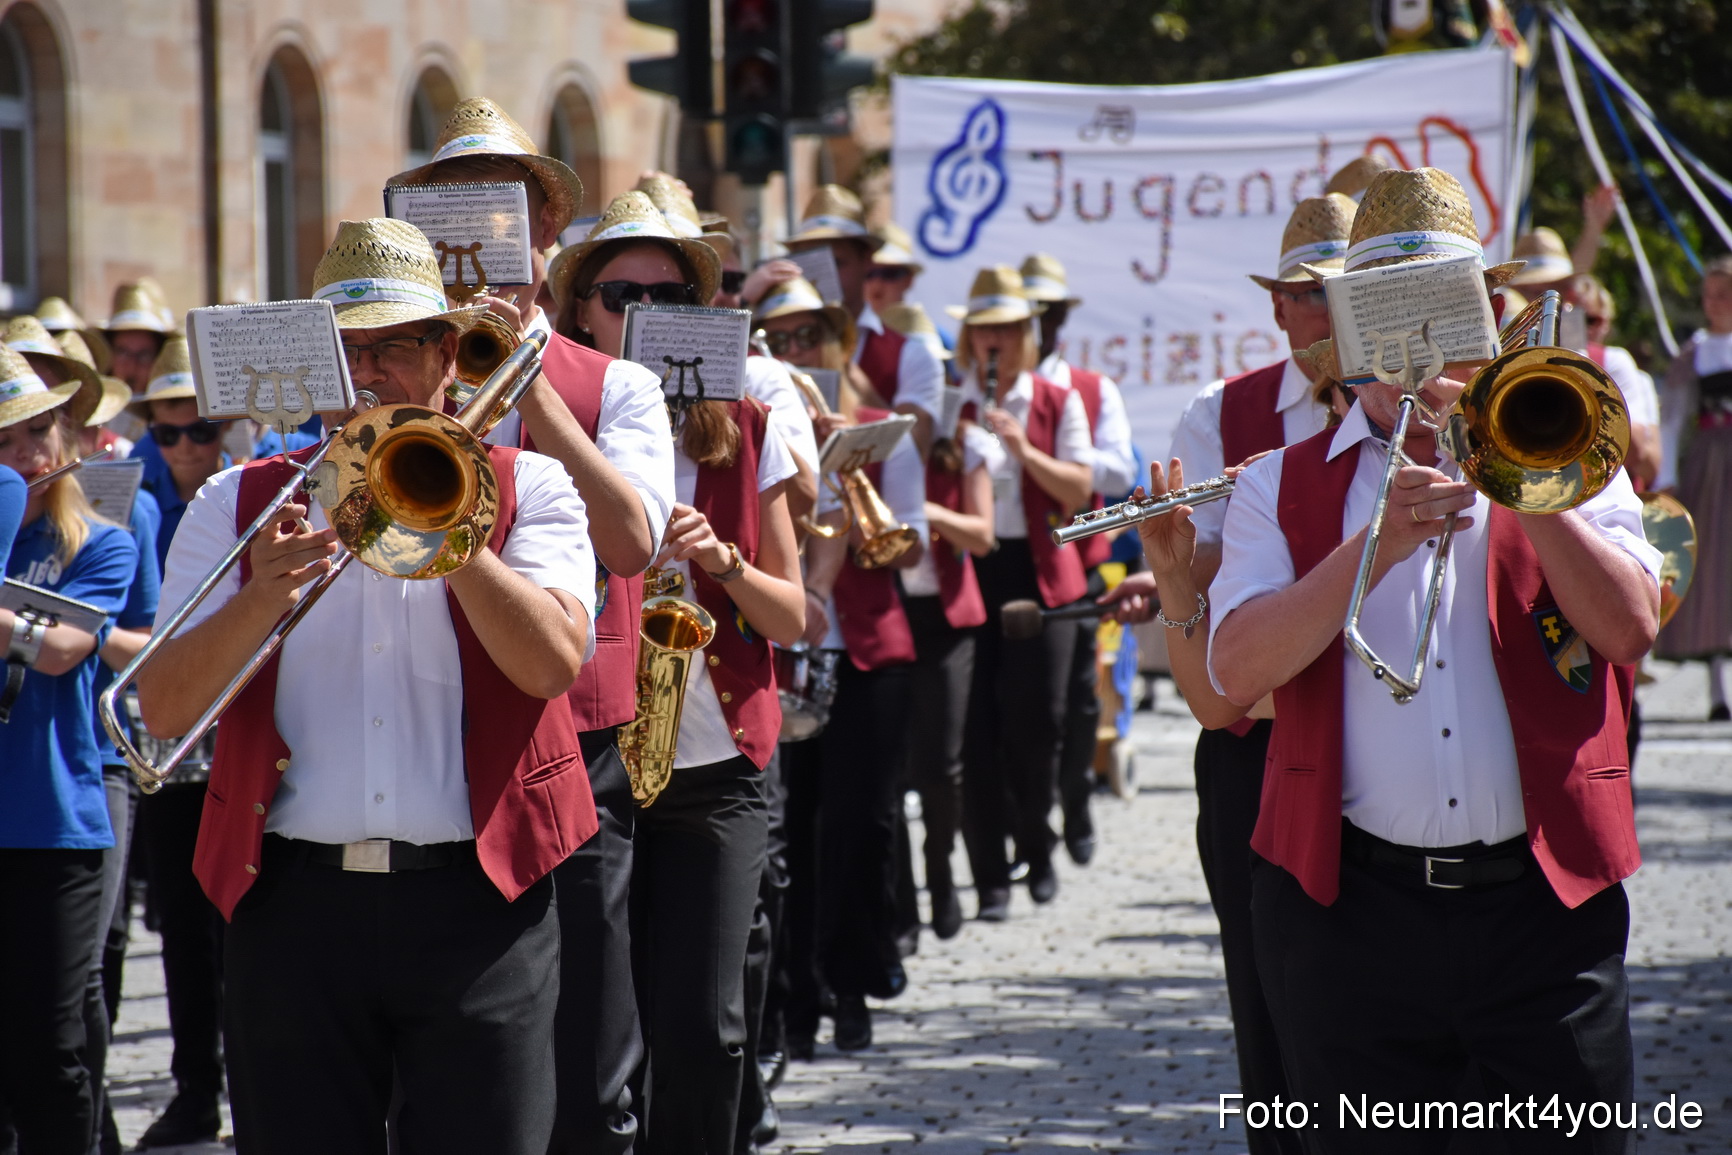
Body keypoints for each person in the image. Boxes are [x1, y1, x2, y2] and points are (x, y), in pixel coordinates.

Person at [1209, 167, 1659, 1152]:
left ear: (1489, 317)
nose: (1420, 350)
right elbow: (1234, 673)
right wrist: (1373, 545)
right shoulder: (1274, 486)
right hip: (1350, 919)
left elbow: (1630, 629)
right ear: (1351, 338)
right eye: (1387, 317)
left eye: (1447, 312)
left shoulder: (1571, 439)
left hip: (1545, 914)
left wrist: (1520, 478)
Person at [137, 218, 599, 1153]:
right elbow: (163, 709)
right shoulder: (237, 503)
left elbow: (553, 664)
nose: (365, 376)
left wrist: (445, 529)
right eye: (342, 353)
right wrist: (260, 594)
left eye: (390, 346)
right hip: (292, 905)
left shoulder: (531, 486)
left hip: (481, 903)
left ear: (443, 357)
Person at [392, 105, 675, 1155]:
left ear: (543, 232)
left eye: (505, 212)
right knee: (446, 1056)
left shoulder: (620, 383)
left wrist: (529, 390)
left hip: (578, 737)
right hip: (420, 732)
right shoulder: (400, 367)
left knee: (588, 1048)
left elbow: (635, 542)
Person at [547, 191, 806, 1152]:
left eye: (667, 295)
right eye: (620, 293)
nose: (642, 314)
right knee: (600, 1039)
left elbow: (794, 613)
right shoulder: (548, 419)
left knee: (707, 1029)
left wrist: (723, 563)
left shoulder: (746, 417)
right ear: (580, 309)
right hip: (596, 754)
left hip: (713, 765)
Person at [1147, 190, 1354, 1155]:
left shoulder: (1423, 408)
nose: (1333, 311)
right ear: (1278, 307)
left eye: (1356, 291)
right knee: (1269, 997)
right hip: (1258, 740)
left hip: (1379, 736)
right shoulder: (1217, 416)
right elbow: (1214, 599)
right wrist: (1173, 562)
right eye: (1314, 294)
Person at [0, 346, 136, 1155]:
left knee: (48, 1052)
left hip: (53, 821)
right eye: (7, 439)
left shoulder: (102, 541)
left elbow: (64, 649)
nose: (27, 453)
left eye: (40, 430)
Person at [949, 265, 1092, 919]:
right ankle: (989, 878)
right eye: (984, 329)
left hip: (1039, 574)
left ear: (1026, 334)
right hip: (972, 570)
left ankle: (1036, 844)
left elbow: (1077, 490)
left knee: (1040, 723)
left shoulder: (1055, 400)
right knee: (975, 727)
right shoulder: (953, 400)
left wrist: (1023, 448)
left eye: (1008, 327)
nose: (995, 340)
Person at [121, 335, 234, 1148]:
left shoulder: (246, 488)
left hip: (242, 743)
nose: (187, 446)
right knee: (183, 932)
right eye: (169, 433)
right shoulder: (129, 493)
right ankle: (197, 1087)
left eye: (203, 428)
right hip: (167, 749)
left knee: (250, 928)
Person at [1020, 252, 1137, 868]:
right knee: (1026, 710)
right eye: (1027, 315)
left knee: (1078, 701)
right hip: (1013, 566)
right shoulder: (995, 391)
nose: (1036, 326)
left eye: (1046, 315)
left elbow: (1119, 469)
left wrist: (1062, 457)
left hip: (1080, 564)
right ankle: (1031, 831)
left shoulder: (1092, 390)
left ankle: (1076, 803)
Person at [784, 185, 944, 458]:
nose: (823, 277)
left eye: (837, 262)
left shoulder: (914, 356)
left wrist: (844, 364)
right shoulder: (771, 343)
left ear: (867, 262)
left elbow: (916, 447)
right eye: (810, 263)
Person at [1656, 254, 1732, 720]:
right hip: (1712, 461)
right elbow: (1672, 419)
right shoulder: (1697, 352)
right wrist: (1666, 476)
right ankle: (1719, 686)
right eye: (1708, 296)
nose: (1714, 304)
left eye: (1723, 295)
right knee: (1712, 566)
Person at [862, 222, 922, 316]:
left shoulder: (928, 330)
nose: (876, 284)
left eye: (889, 274)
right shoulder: (842, 329)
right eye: (869, 273)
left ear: (909, 279)